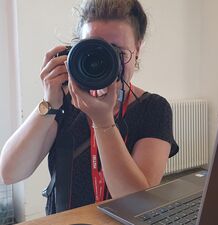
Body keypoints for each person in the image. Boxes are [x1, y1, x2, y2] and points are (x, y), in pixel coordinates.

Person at [0, 0, 178, 215]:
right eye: (94, 50)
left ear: (137, 49)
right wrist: (49, 103)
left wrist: (103, 123)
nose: (104, 60)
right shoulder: (63, 102)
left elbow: (137, 203)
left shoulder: (153, 108)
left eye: (117, 52)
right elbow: (9, 173)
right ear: (76, 50)